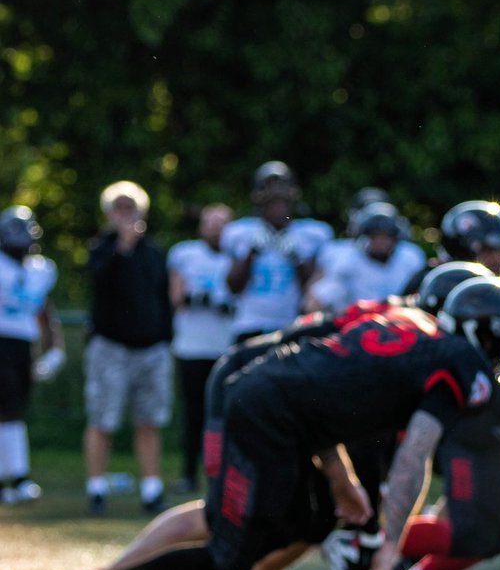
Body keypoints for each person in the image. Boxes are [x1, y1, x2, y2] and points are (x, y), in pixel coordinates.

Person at [53, 293, 500, 570]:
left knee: (313, 518)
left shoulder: (406, 327)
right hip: (264, 409)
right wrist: (391, 544)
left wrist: (341, 480)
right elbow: (413, 456)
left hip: (279, 404)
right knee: (233, 547)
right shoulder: (456, 360)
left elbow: (322, 388)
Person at [83, 181, 173, 515]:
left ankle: (152, 489)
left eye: (130, 207)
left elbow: (163, 298)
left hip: (151, 349)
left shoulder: (154, 252)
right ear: (109, 213)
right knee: (102, 419)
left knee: (149, 420)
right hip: (111, 348)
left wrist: (164, 337)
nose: (125, 214)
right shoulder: (101, 248)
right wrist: (122, 247)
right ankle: (96, 489)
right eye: (118, 207)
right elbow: (99, 281)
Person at [167, 203, 235, 494]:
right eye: (211, 222)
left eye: (222, 222)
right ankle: (189, 473)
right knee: (194, 413)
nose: (216, 228)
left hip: (227, 346)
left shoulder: (238, 257)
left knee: (227, 413)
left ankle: (225, 472)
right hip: (192, 346)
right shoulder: (186, 254)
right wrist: (199, 299)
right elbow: (177, 297)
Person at [223, 161, 331, 341]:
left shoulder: (312, 234)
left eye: (281, 190)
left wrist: (297, 259)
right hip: (249, 324)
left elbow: (314, 290)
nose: (276, 193)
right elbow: (233, 287)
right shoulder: (241, 232)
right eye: (270, 191)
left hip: (291, 325)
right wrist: (251, 253)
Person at [0, 206, 64, 504]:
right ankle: (17, 477)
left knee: (15, 409)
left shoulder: (42, 269)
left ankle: (15, 477)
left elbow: (44, 311)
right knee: (8, 407)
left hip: (23, 345)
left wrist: (55, 350)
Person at [305, 201, 425, 313]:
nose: (382, 242)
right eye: (376, 236)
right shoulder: (349, 262)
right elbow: (315, 302)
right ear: (366, 236)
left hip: (401, 322)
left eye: (387, 236)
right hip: (358, 323)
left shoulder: (410, 259)